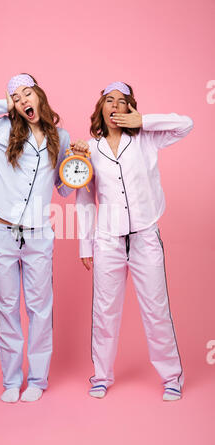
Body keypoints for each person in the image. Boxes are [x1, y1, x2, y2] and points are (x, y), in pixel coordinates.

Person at [0, 74, 73, 403]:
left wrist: (79, 165)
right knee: (6, 307)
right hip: (2, 233)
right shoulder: (1, 129)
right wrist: (4, 106)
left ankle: (37, 378)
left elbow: (63, 189)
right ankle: (11, 380)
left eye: (27, 93)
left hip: (38, 235)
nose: (23, 100)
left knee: (39, 309)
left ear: (39, 95)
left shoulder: (60, 137)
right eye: (16, 97)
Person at [75, 81, 193, 401]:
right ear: (100, 108)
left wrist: (144, 121)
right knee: (104, 311)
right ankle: (101, 375)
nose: (115, 105)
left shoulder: (146, 140)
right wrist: (86, 246)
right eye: (109, 100)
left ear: (131, 108)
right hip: (107, 241)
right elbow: (85, 200)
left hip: (145, 237)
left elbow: (186, 124)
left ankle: (171, 377)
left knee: (156, 309)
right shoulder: (89, 149)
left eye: (122, 101)